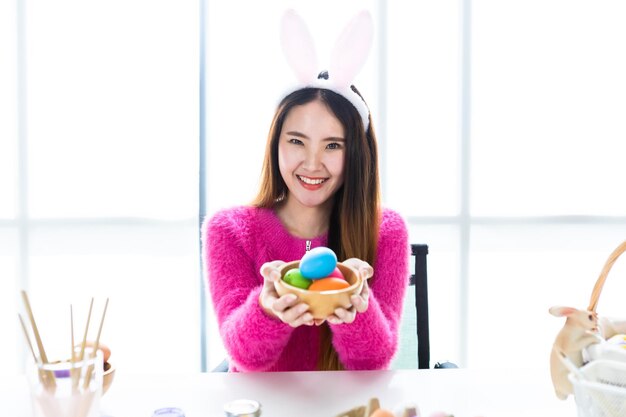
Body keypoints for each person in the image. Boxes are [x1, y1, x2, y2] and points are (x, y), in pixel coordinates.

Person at [202, 10, 409, 372]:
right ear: (275, 144)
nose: (313, 164)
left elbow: (374, 363)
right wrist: (267, 309)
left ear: (356, 154)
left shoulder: (386, 230)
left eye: (333, 146)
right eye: (297, 141)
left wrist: (356, 306)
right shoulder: (230, 230)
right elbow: (244, 359)